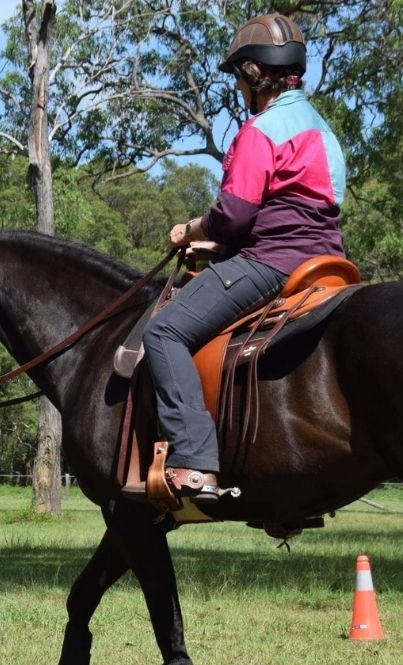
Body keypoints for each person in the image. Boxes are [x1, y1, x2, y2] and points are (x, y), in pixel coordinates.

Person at [142, 13, 347, 505]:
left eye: (238, 77)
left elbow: (233, 215)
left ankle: (193, 460)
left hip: (274, 264)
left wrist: (190, 231)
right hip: (329, 264)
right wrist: (220, 246)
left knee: (163, 330)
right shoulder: (324, 131)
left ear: (254, 75)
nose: (237, 87)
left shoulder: (261, 130)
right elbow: (293, 212)